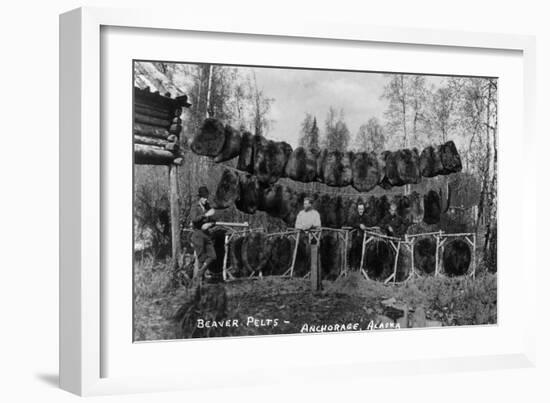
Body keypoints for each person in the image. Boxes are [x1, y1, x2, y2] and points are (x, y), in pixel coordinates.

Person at [189, 186, 221, 284]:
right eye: (204, 197)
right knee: (201, 258)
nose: (206, 199)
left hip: (206, 234)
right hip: (198, 233)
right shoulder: (195, 207)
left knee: (213, 256)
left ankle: (200, 273)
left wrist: (209, 224)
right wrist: (205, 215)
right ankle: (200, 282)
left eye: (207, 197)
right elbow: (194, 219)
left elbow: (215, 219)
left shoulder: (208, 206)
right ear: (200, 197)